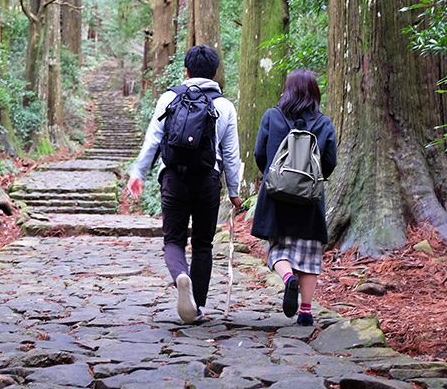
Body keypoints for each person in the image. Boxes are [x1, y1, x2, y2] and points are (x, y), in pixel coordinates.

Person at [127, 45, 242, 323]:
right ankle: (197, 306)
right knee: (203, 244)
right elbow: (230, 153)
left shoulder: (169, 98)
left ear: (186, 71)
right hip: (208, 180)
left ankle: (180, 275)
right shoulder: (225, 106)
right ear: (215, 72)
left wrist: (138, 173)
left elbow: (153, 139)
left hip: (173, 178)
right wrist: (235, 191)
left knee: (174, 240)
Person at [250, 69, 337, 326]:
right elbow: (329, 161)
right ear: (314, 93)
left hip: (277, 197)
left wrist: (273, 176)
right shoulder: (323, 123)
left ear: (287, 91)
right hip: (309, 198)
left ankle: (288, 279)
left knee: (279, 249)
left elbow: (259, 153)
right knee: (310, 255)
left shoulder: (272, 116)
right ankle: (306, 312)